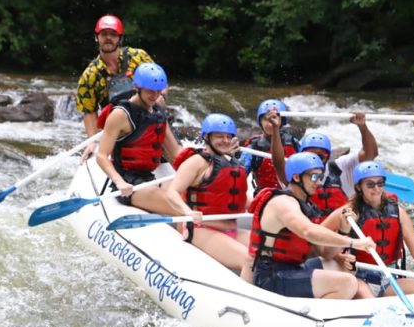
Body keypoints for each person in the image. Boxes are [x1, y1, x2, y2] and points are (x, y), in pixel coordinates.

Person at [249, 152, 376, 299]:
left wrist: (344, 229)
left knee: (344, 269)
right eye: (314, 177)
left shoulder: (307, 206)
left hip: (294, 268)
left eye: (320, 177)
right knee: (348, 283)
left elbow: (325, 253)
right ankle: (314, 319)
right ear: (297, 177)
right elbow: (308, 231)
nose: (319, 182)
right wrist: (354, 243)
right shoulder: (283, 203)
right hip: (272, 276)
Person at [322, 160, 414, 297]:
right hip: (359, 276)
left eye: (380, 183)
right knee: (371, 303)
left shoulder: (398, 212)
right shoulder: (348, 212)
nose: (376, 188)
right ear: (359, 187)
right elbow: (318, 234)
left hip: (390, 278)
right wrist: (338, 257)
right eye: (370, 184)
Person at [166, 114, 253, 282]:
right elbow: (172, 192)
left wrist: (264, 207)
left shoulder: (232, 162)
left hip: (231, 229)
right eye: (219, 136)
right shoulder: (196, 162)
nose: (225, 141)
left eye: (229, 137)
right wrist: (187, 211)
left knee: (270, 251)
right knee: (249, 260)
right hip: (201, 229)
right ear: (207, 137)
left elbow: (239, 197)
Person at [95, 63, 182, 213]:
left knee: (189, 199)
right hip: (128, 183)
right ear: (136, 87)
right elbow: (101, 155)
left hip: (149, 178)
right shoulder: (120, 115)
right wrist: (119, 182)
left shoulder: (158, 112)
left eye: (158, 92)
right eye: (150, 92)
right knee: (180, 207)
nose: (155, 97)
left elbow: (175, 154)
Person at [76, 15, 158, 160]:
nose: (108, 38)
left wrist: (159, 102)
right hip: (119, 128)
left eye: (113, 34)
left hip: (150, 116)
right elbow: (89, 112)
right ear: (96, 38)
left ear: (120, 39)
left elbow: (160, 83)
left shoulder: (138, 57)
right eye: (104, 34)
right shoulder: (90, 75)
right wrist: (93, 141)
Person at [271, 112, 378, 218]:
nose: (314, 159)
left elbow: (371, 153)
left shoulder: (341, 168)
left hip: (340, 228)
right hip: (307, 229)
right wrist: (275, 129)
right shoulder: (295, 173)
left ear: (328, 156)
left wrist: (362, 126)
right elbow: (278, 163)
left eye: (320, 156)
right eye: (310, 154)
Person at [239, 99, 300, 196]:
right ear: (260, 122)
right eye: (266, 119)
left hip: (291, 195)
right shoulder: (254, 146)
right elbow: (240, 174)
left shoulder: (292, 142)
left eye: (275, 118)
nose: (270, 124)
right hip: (265, 197)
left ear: (282, 121)